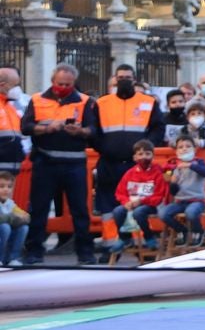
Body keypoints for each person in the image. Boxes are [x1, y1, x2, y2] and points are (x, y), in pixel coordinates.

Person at [21, 63, 99, 265]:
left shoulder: (85, 101)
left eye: (67, 84)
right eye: (59, 83)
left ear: (74, 83)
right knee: (39, 208)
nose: (63, 87)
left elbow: (94, 129)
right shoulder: (37, 99)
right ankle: (34, 252)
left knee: (79, 210)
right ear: (52, 81)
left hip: (74, 163)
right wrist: (45, 129)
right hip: (45, 161)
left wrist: (80, 132)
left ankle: (85, 253)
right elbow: (26, 127)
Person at [94, 65, 165, 239]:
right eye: (120, 78)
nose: (124, 80)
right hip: (109, 161)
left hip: (137, 164)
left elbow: (158, 127)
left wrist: (147, 147)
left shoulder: (148, 102)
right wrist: (104, 147)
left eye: (127, 77)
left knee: (137, 201)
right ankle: (111, 244)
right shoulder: (102, 103)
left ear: (134, 79)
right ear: (114, 79)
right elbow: (93, 130)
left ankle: (137, 243)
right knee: (108, 205)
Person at [109, 139, 169, 254]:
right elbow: (120, 192)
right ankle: (125, 237)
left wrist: (141, 201)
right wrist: (126, 202)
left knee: (139, 212)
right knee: (117, 211)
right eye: (140, 154)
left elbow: (159, 196)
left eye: (147, 154)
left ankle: (149, 237)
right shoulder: (129, 173)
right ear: (134, 157)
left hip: (150, 205)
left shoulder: (158, 173)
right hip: (131, 203)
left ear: (153, 155)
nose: (144, 157)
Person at [159, 134, 205, 247]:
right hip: (180, 201)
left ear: (194, 149)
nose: (184, 148)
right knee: (163, 213)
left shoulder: (198, 162)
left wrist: (190, 165)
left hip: (197, 200)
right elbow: (174, 192)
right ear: (176, 151)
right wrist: (173, 183)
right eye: (180, 147)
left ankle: (198, 230)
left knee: (191, 213)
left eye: (188, 146)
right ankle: (182, 230)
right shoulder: (176, 166)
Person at [0, 68, 26, 176]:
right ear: (2, 85)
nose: (17, 89)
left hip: (12, 166)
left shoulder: (10, 106)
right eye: (14, 85)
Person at [0, 170, 29, 266]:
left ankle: (13, 258)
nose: (6, 190)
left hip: (7, 235)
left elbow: (26, 217)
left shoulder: (10, 203)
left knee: (24, 227)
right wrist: (13, 218)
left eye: (9, 187)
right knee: (5, 227)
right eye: (2, 186)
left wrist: (22, 217)